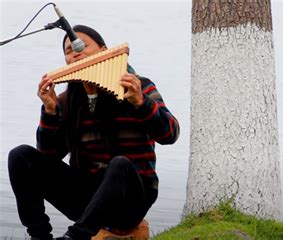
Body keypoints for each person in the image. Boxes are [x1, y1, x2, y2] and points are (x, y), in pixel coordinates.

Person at [8, 25, 180, 240]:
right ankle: (40, 235)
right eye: (69, 51)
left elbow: (170, 135)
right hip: (87, 198)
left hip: (131, 199)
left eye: (82, 45)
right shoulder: (65, 100)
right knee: (20, 155)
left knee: (120, 164)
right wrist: (50, 111)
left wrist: (140, 103)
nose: (75, 53)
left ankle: (75, 237)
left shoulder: (138, 87)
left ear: (104, 50)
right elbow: (49, 156)